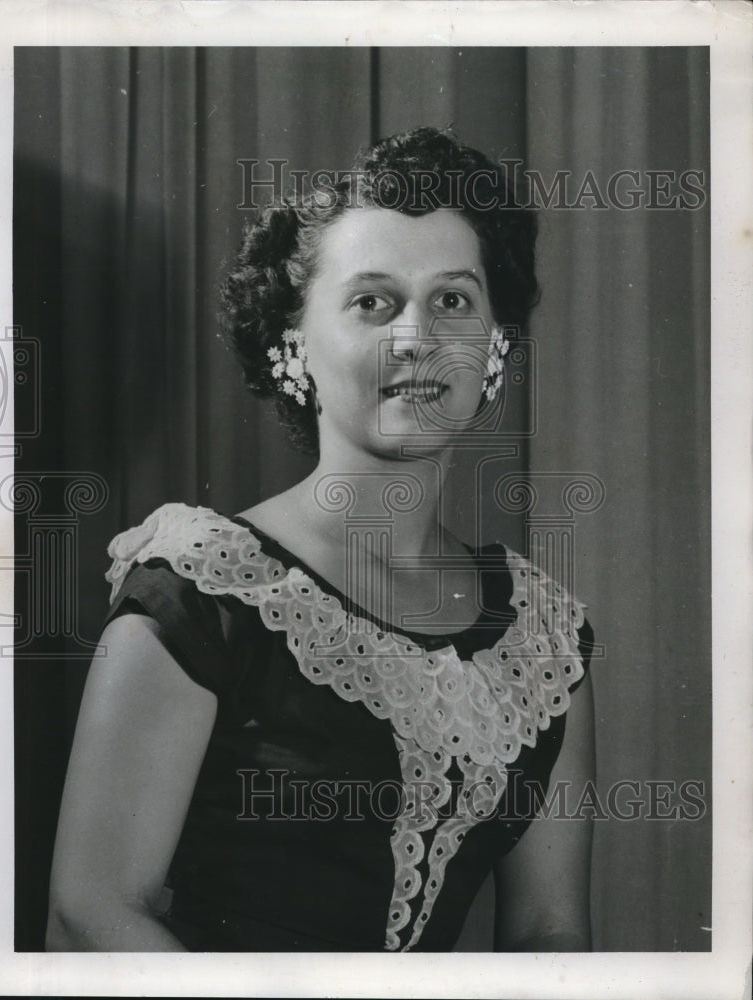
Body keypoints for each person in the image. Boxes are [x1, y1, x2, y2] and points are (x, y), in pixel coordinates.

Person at [46, 127, 595, 953]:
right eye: (372, 302)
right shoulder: (204, 587)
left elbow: (551, 937)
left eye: (453, 300)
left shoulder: (544, 641)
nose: (417, 337)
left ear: (494, 348)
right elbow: (91, 916)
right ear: (293, 344)